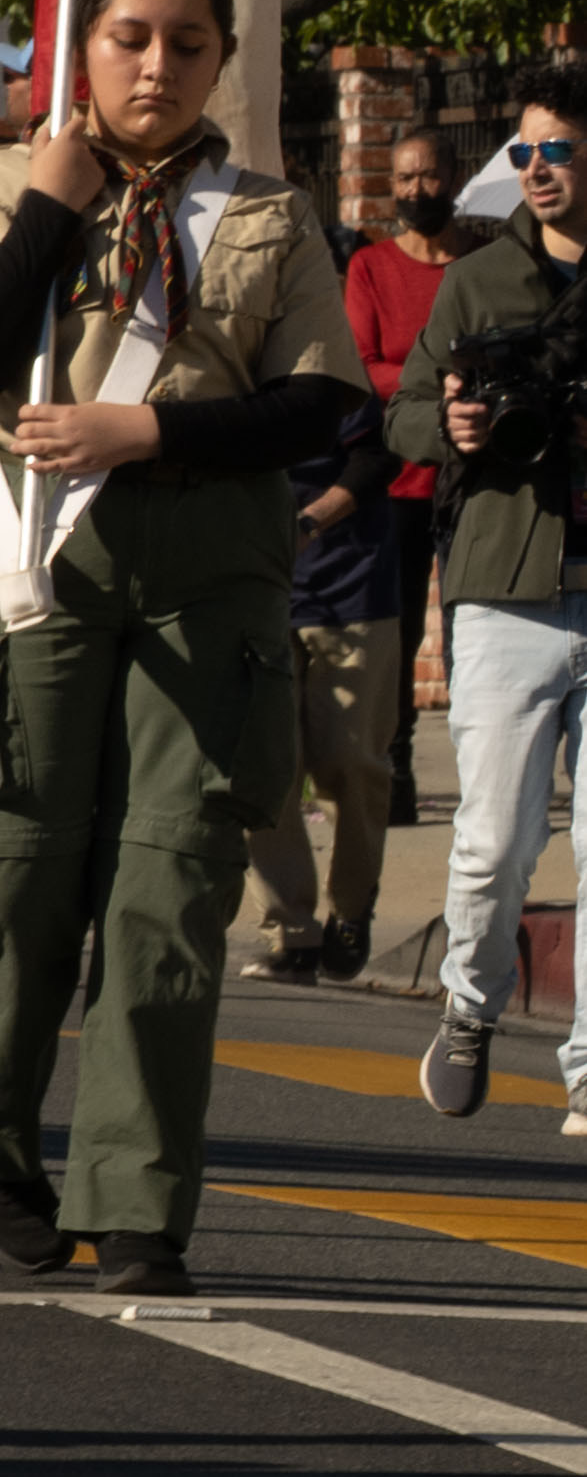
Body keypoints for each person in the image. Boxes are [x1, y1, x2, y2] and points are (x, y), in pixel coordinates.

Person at [0, 0, 357, 1292]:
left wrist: (148, 424)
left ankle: (139, 1198)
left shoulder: (266, 215)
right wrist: (51, 205)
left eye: (185, 41)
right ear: (76, 44)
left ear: (221, 58)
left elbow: (319, 403)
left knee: (169, 882)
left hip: (206, 553)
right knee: (9, 862)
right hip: (33, 549)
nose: (154, 64)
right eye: (127, 36)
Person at [388, 69, 587, 1131]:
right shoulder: (478, 283)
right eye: (521, 153)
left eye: (553, 149)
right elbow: (400, 417)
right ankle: (468, 1004)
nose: (535, 170)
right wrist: (452, 428)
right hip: (505, 591)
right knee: (493, 842)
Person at [260, 130, 467, 984]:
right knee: (265, 769)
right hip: (259, 583)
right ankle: (290, 922)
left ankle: (349, 916)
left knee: (354, 763)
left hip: (350, 573)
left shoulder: (331, 320)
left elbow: (372, 435)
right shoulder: (211, 331)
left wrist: (314, 518)